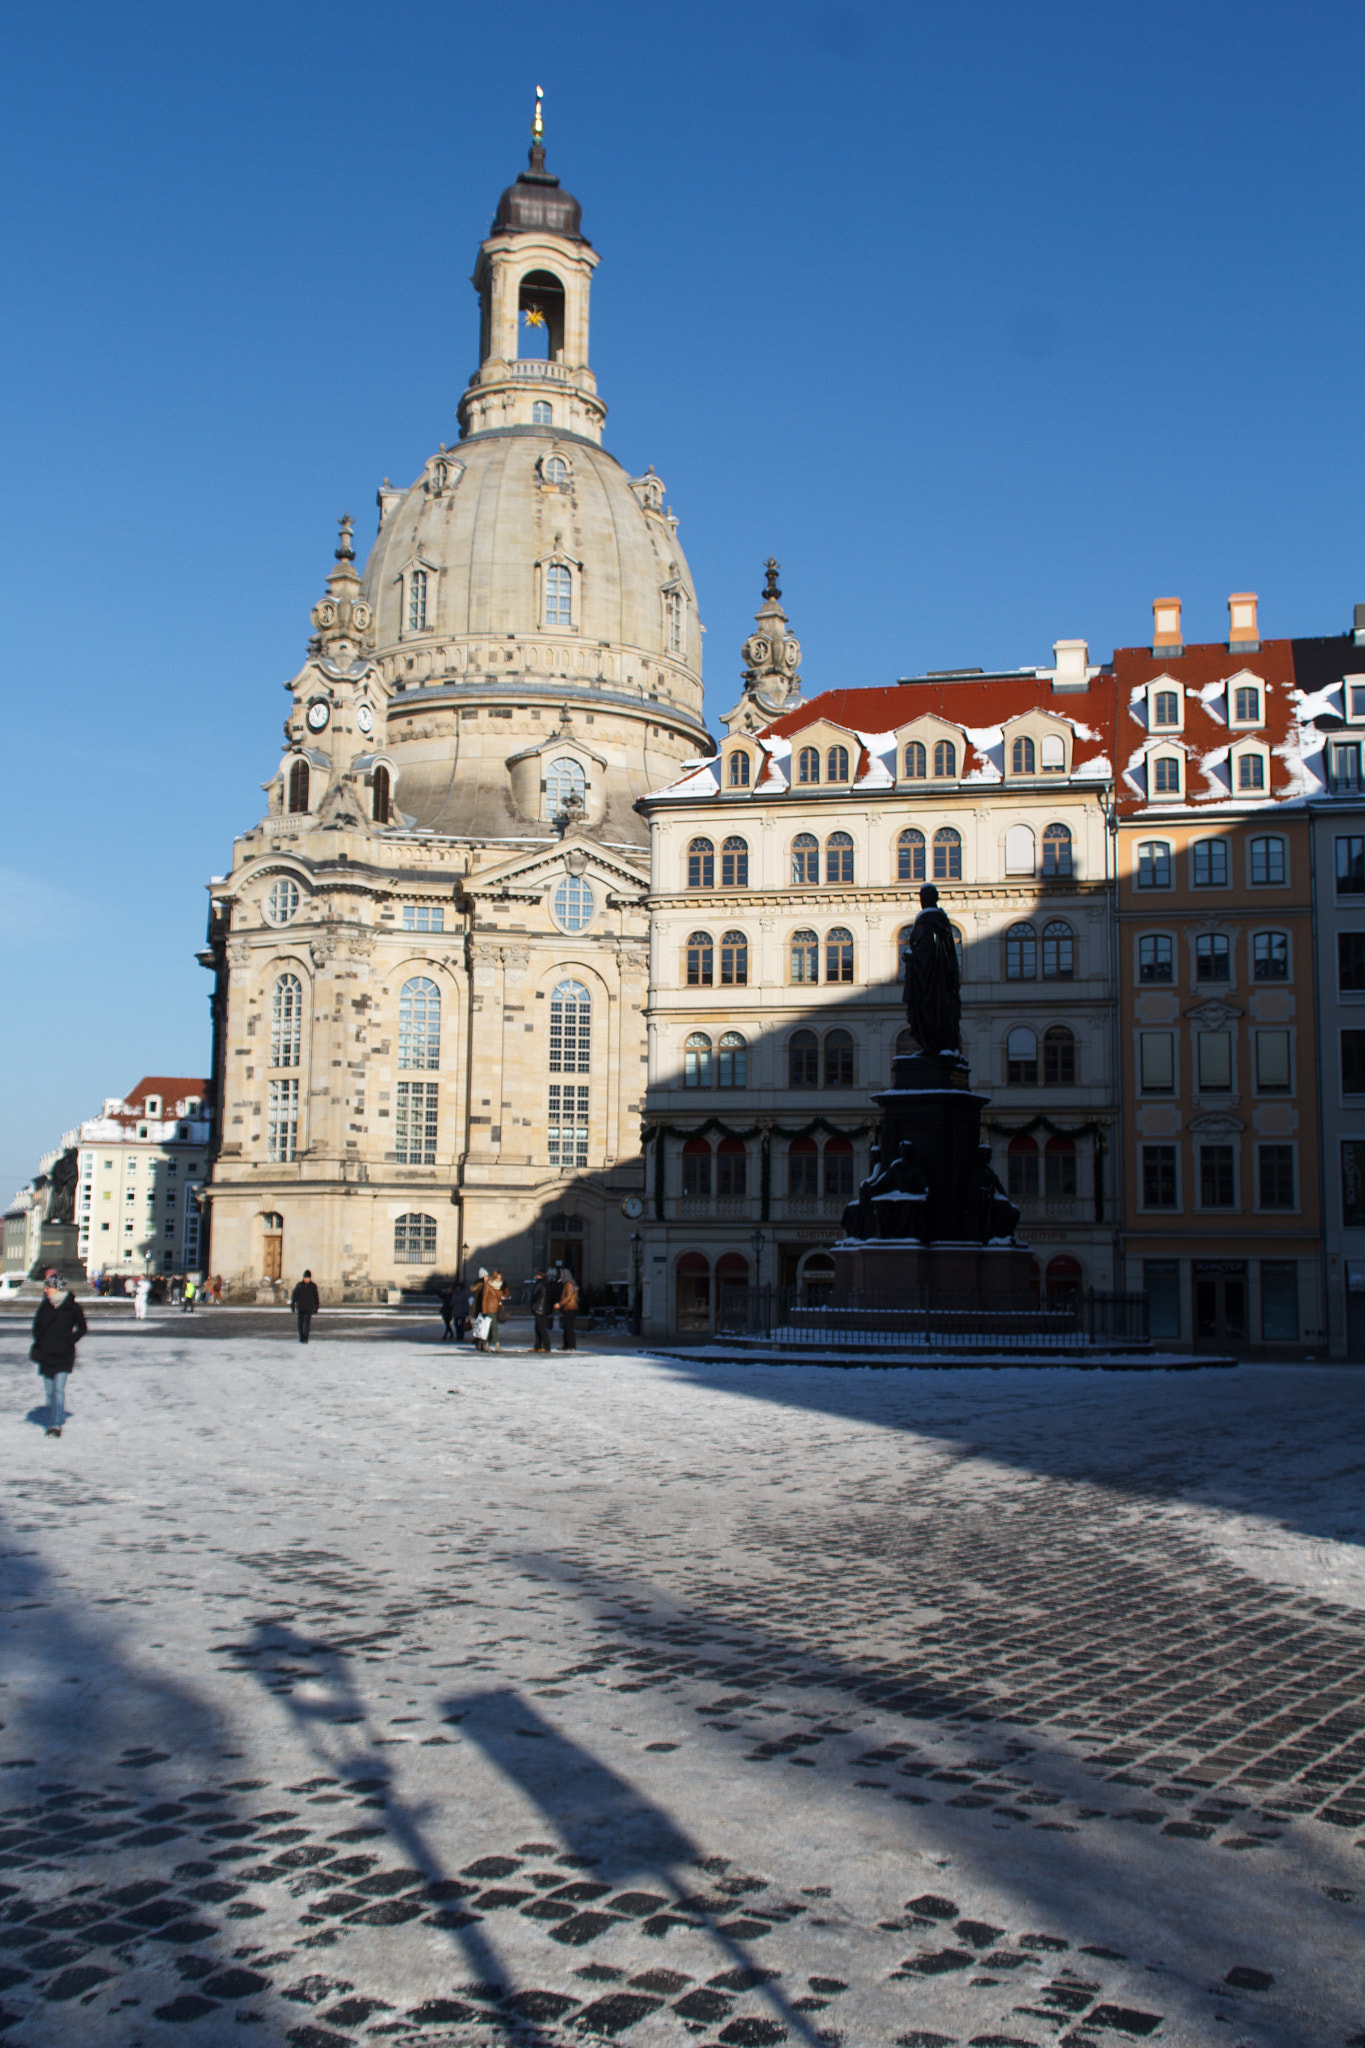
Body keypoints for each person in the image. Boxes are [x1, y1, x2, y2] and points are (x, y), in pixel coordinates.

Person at [31, 1276, 87, 1438]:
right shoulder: (45, 1306)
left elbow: (82, 1328)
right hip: (46, 1354)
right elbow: (37, 1327)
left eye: (48, 1287)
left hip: (64, 1354)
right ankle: (52, 1418)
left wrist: (69, 1340)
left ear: (57, 1288)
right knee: (49, 1393)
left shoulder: (73, 1307)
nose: (45, 1290)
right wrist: (40, 1342)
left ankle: (55, 1425)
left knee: (58, 1390)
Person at [480, 1269, 509, 1351]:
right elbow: (484, 1298)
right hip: (489, 1309)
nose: (499, 1279)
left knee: (490, 1328)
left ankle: (487, 1345)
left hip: (496, 1308)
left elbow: (502, 1295)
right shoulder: (488, 1285)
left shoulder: (499, 1286)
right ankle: (497, 1345)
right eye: (497, 1278)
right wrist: (484, 1310)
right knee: (494, 1327)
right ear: (494, 1277)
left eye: (500, 1278)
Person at [291, 1269, 320, 1344]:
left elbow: (316, 1297)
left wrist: (316, 1307)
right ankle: (301, 1337)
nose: (306, 1279)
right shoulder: (299, 1285)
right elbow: (294, 1296)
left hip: (309, 1307)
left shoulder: (313, 1286)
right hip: (300, 1307)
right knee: (300, 1324)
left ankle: (305, 1338)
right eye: (305, 1278)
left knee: (307, 1324)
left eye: (307, 1278)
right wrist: (292, 1305)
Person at [530, 1268, 554, 1352]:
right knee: (539, 1327)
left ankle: (546, 1346)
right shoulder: (548, 1284)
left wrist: (532, 1303)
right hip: (544, 1309)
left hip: (539, 1308)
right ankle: (537, 1345)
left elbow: (534, 1295)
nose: (536, 1276)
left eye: (537, 1274)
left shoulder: (539, 1284)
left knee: (541, 1328)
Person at [558, 1266, 579, 1351]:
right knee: (567, 1327)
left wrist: (560, 1304)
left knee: (569, 1327)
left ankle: (571, 1345)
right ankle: (566, 1345)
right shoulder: (568, 1283)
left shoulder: (569, 1284)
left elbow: (569, 1296)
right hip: (568, 1307)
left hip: (569, 1307)